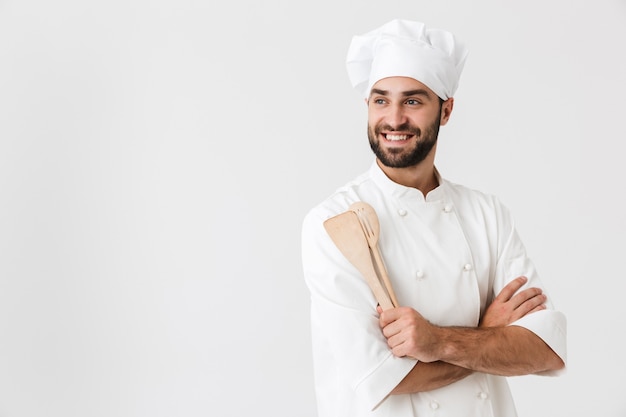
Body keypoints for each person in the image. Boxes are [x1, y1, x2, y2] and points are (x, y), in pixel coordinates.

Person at [300, 19, 567, 417]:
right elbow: (385, 377)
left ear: (446, 110)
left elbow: (545, 351)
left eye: (412, 101)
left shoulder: (487, 214)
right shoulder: (334, 222)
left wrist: (438, 341)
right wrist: (491, 337)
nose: (393, 119)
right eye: (380, 100)